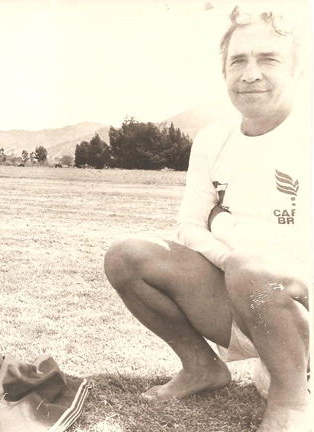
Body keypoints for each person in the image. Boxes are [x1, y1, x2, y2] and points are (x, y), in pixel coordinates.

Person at [104, 6, 310, 432]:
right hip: (250, 297)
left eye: (268, 58)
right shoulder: (214, 140)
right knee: (127, 255)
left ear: (298, 69)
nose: (250, 73)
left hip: (299, 309)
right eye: (238, 60)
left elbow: (301, 252)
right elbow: (187, 228)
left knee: (250, 265)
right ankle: (202, 367)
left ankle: (292, 398)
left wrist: (224, 225)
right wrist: (234, 264)